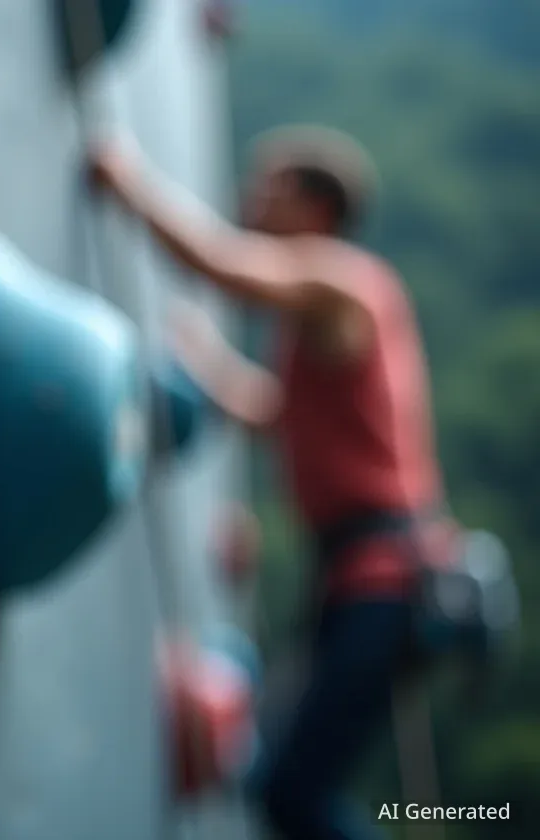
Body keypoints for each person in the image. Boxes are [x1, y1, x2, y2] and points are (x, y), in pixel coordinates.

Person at [86, 125, 457, 839]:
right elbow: (277, 417)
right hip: (365, 580)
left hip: (381, 578)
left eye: (272, 185)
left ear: (317, 206)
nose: (252, 195)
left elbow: (221, 263)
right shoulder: (343, 306)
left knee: (290, 792)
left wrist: (126, 177)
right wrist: (210, 361)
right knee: (280, 784)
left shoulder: (336, 280)